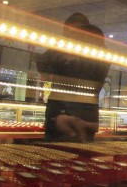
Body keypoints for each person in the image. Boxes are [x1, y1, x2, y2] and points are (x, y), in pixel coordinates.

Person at [38, 13, 110, 142]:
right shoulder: (98, 52)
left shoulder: (66, 50)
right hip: (82, 115)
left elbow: (42, 63)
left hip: (63, 116)